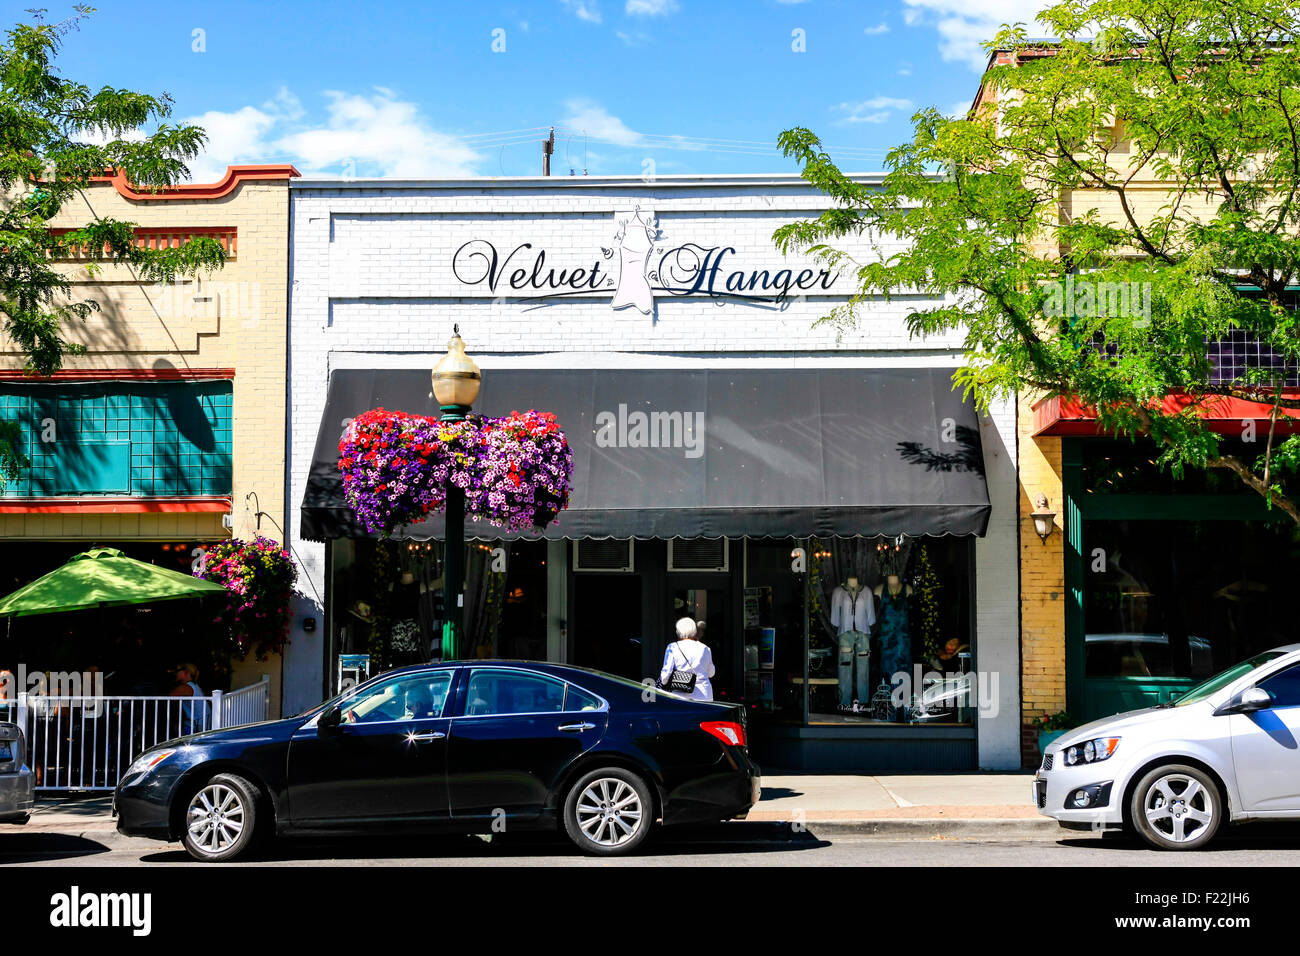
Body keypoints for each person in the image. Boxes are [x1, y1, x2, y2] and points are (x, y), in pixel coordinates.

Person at [660, 617, 715, 701]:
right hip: (704, 694)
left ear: (678, 631)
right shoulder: (705, 648)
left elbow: (665, 677)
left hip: (680, 694)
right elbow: (711, 673)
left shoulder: (672, 647)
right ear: (694, 631)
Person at [170, 663, 208, 735]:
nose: (175, 673)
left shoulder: (185, 687)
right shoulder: (194, 685)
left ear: (186, 672)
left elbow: (167, 699)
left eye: (177, 670)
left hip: (195, 727)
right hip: (202, 724)